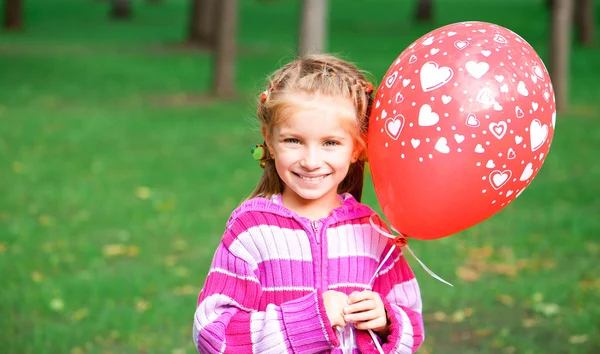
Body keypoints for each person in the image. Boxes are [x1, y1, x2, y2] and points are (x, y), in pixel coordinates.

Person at [193, 54, 424, 353]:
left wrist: (386, 321)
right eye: (293, 140)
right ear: (270, 141)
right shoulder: (251, 229)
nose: (311, 161)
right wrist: (310, 320)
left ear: (356, 148)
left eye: (330, 142)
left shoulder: (372, 232)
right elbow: (213, 335)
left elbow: (412, 323)